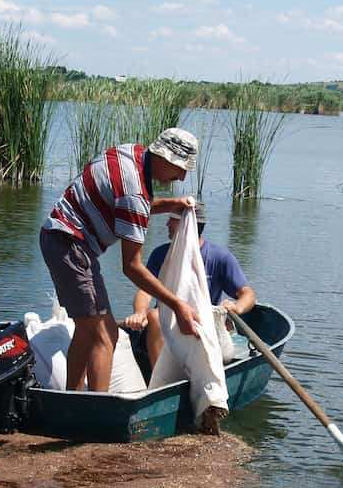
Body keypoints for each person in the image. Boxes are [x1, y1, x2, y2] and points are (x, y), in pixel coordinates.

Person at [39, 128, 201, 392]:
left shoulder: (130, 152)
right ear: (165, 158)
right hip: (71, 246)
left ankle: (72, 402)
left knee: (85, 330)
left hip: (58, 237)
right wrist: (177, 304)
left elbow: (123, 204)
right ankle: (96, 413)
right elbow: (132, 267)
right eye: (180, 168)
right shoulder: (135, 195)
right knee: (105, 336)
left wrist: (168, 204)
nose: (181, 176)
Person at [122, 201, 256, 368]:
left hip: (201, 325)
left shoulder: (220, 257)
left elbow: (248, 294)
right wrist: (140, 312)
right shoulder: (160, 254)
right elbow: (145, 291)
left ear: (188, 224)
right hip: (164, 325)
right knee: (154, 317)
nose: (167, 224)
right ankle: (162, 382)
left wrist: (237, 307)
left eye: (173, 219)